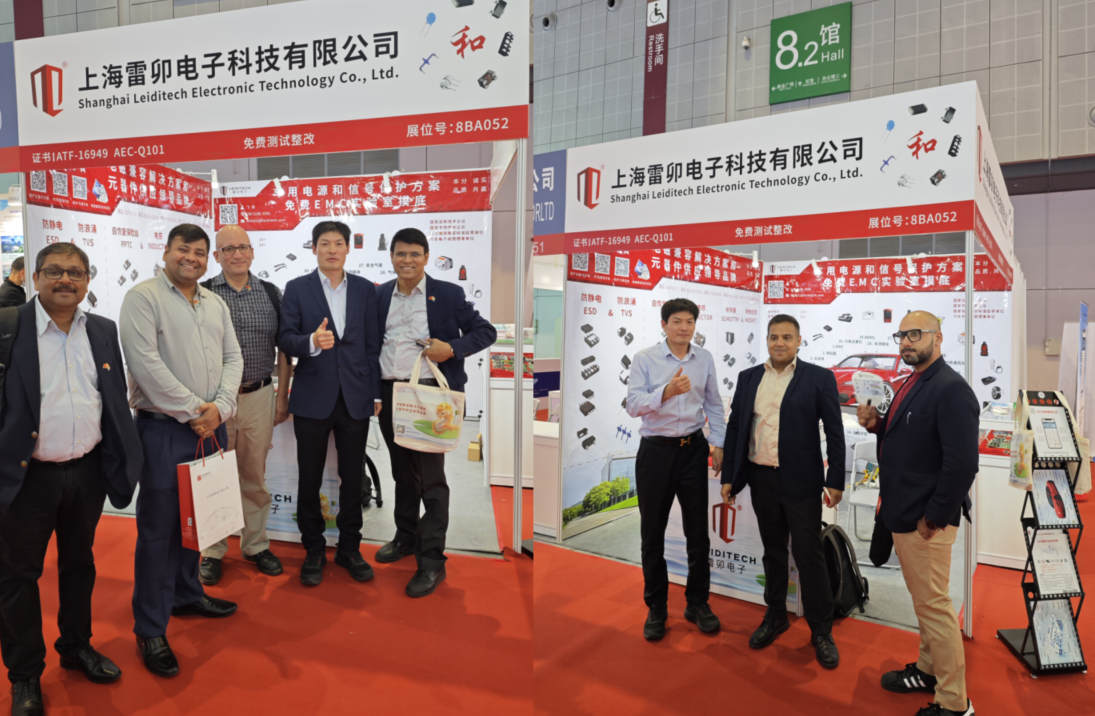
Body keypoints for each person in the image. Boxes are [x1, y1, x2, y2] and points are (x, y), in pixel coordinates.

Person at [0, 245, 142, 716]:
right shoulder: (8, 326)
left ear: (87, 280)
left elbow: (111, 397)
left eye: (76, 273)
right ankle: (25, 675)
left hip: (86, 472)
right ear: (35, 277)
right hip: (26, 477)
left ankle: (77, 646)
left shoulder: (101, 329)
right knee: (18, 576)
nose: (66, 280)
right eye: (56, 271)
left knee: (80, 565)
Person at [120, 224, 243, 679]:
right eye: (183, 249)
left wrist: (221, 408)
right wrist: (196, 410)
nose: (191, 257)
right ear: (166, 252)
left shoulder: (214, 302)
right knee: (158, 532)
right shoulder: (143, 298)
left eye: (200, 252)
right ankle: (150, 628)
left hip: (211, 428)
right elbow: (145, 365)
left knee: (199, 520)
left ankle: (187, 594)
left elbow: (233, 357)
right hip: (164, 430)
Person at [858, 311, 977, 716]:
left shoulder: (951, 389)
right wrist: (876, 425)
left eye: (915, 334)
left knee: (934, 607)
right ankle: (928, 670)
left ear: (938, 338)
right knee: (925, 602)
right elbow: (910, 437)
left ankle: (954, 702)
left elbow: (962, 464)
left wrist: (935, 516)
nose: (906, 342)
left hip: (926, 519)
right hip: (905, 509)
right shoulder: (913, 380)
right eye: (902, 335)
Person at [374, 228, 497, 598]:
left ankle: (431, 560)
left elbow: (485, 331)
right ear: (391, 257)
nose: (407, 260)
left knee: (431, 479)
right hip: (391, 394)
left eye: (415, 254)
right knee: (402, 473)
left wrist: (452, 348)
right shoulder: (379, 295)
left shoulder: (447, 293)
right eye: (401, 253)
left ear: (426, 257)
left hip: (432, 397)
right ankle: (405, 537)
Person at [721, 314, 845, 668]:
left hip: (802, 482)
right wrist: (730, 476)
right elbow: (736, 428)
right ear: (767, 340)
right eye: (774, 337)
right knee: (773, 551)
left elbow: (834, 431)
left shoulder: (819, 378)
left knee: (809, 555)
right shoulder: (749, 377)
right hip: (761, 478)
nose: (779, 343)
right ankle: (775, 614)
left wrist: (835, 478)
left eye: (787, 337)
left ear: (799, 341)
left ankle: (821, 630)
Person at [279, 221, 381, 587]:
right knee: (310, 477)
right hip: (312, 397)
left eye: (339, 243)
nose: (332, 249)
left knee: (352, 478)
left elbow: (372, 345)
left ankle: (350, 547)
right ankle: (313, 548)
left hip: (356, 397)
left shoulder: (365, 289)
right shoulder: (297, 288)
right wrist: (311, 341)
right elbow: (285, 339)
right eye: (325, 243)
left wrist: (376, 393)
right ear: (314, 248)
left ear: (348, 248)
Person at [625, 298, 725, 641]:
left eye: (690, 321)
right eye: (677, 321)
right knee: (652, 533)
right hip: (656, 453)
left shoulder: (704, 358)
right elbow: (633, 406)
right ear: (664, 324)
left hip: (693, 450)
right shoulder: (645, 359)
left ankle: (697, 603)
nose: (684, 327)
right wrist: (665, 392)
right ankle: (656, 606)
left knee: (698, 533)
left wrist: (718, 443)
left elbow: (714, 403)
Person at [197, 225, 291, 585]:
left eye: (243, 247)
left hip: (259, 395)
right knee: (214, 475)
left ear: (252, 252)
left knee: (254, 475)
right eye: (228, 249)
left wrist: (282, 396)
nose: (237, 254)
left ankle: (255, 544)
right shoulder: (202, 293)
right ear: (216, 256)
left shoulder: (270, 292)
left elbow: (284, 349)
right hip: (214, 401)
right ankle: (213, 549)